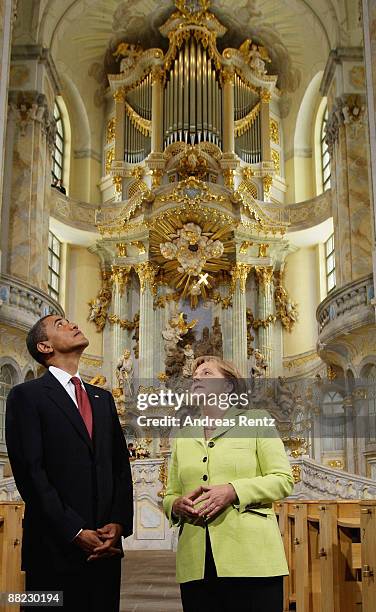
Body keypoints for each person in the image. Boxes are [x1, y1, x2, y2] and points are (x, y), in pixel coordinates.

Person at [5, 315, 133, 611]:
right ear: (44, 345)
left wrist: (118, 523)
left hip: (105, 548)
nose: (73, 324)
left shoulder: (102, 398)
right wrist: (75, 531)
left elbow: (119, 467)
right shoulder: (26, 395)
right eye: (60, 324)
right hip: (54, 547)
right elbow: (30, 473)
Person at [163, 355, 294, 612]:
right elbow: (170, 494)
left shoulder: (257, 420)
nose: (197, 377)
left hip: (251, 557)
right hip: (196, 561)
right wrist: (175, 506)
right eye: (195, 376)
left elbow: (282, 480)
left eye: (207, 373)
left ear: (229, 386)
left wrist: (234, 490)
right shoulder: (183, 434)